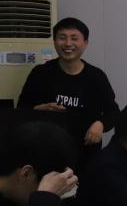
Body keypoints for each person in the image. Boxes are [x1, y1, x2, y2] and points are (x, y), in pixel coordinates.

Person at [17, 17, 119, 170]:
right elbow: (20, 110)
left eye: (74, 38)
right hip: (45, 154)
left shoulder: (96, 77)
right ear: (54, 41)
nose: (68, 43)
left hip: (86, 155)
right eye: (62, 38)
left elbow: (114, 113)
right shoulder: (40, 73)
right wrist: (38, 111)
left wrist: (100, 124)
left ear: (85, 43)